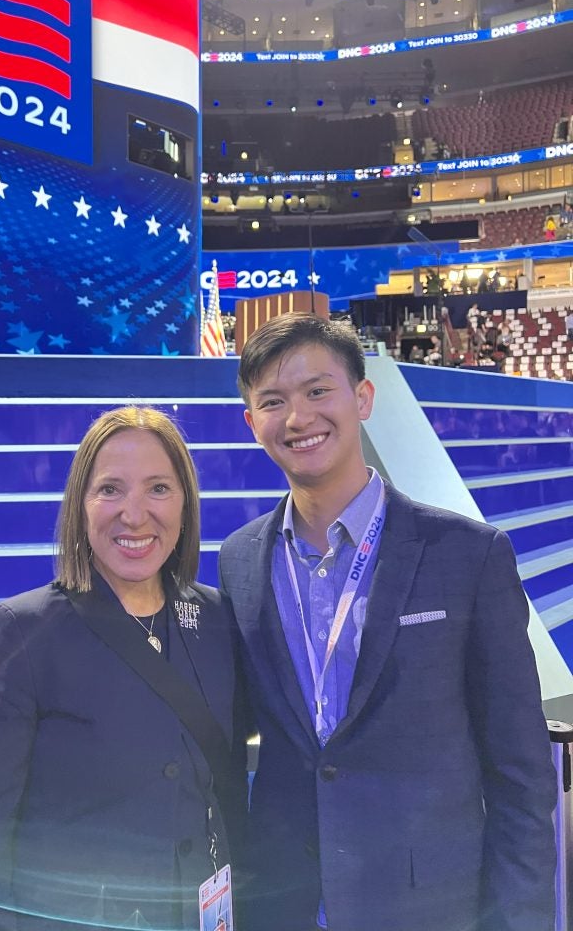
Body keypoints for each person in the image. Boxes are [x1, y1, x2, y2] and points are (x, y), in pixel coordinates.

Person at [218, 313, 556, 931]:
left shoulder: (467, 554)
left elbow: (521, 772)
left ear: (363, 398)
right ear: (252, 423)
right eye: (273, 401)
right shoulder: (240, 560)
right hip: (284, 903)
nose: (298, 418)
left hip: (427, 906)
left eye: (318, 391)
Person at [0, 406, 245, 931]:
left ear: (185, 504)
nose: (134, 514)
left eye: (158, 488)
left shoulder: (218, 618)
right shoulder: (24, 631)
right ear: (80, 506)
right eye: (110, 489)